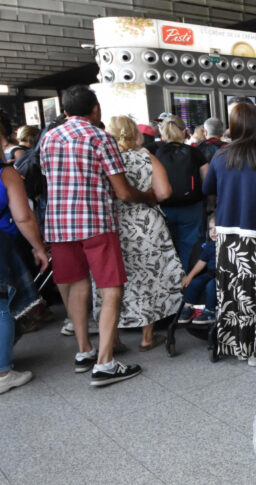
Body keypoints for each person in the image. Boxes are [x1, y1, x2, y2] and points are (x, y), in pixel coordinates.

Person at [40, 85, 156, 386]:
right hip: (95, 223)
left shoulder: (49, 137)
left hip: (59, 226)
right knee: (111, 289)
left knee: (77, 286)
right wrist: (147, 197)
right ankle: (105, 364)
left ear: (64, 112)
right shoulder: (99, 137)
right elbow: (122, 191)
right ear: (95, 110)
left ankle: (84, 351)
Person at [202, 103, 256, 366]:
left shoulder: (219, 155)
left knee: (230, 288)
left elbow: (208, 188)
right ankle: (254, 350)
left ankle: (232, 344)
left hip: (227, 232)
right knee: (255, 290)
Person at [100, 115, 182, 351]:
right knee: (149, 277)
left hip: (114, 224)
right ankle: (147, 336)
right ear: (134, 133)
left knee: (114, 279)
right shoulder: (146, 157)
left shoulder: (106, 160)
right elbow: (164, 192)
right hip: (146, 223)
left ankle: (113, 338)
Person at [0, 149, 49, 394]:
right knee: (1, 308)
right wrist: (39, 248)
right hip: (2, 245)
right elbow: (22, 216)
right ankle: (2, 373)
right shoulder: (5, 173)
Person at [155, 115, 209, 273]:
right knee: (190, 246)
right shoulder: (194, 152)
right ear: (184, 131)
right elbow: (207, 181)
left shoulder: (154, 152)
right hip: (191, 207)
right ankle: (186, 282)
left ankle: (169, 281)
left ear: (162, 131)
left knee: (166, 246)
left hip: (163, 207)